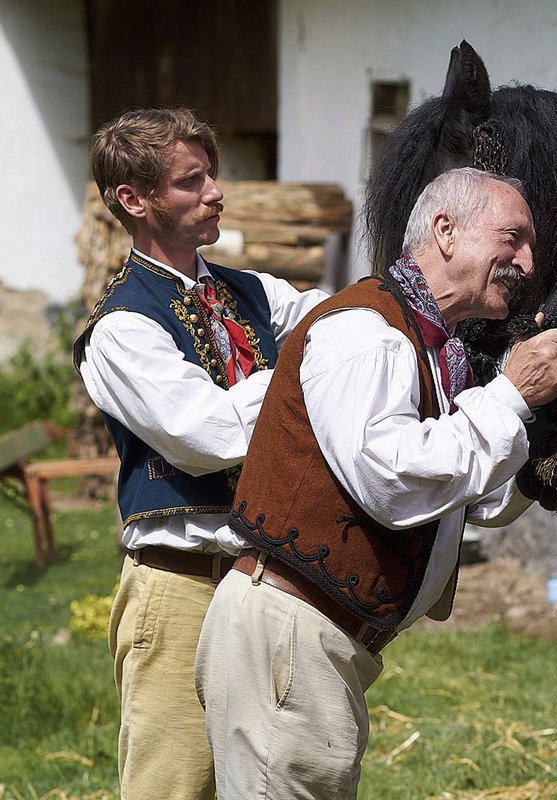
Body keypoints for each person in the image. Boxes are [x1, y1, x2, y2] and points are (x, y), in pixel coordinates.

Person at [195, 166, 557, 798]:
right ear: (445, 232)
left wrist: (544, 463)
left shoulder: (431, 347)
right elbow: (394, 479)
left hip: (315, 641)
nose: (528, 262)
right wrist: (509, 396)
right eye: (512, 239)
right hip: (290, 634)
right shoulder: (364, 333)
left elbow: (458, 497)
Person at [74, 108, 328, 799]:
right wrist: (307, 368)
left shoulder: (249, 293)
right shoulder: (122, 327)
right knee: (175, 787)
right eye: (191, 181)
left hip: (264, 583)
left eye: (211, 174)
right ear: (134, 200)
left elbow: (337, 322)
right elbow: (207, 435)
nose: (215, 191)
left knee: (271, 780)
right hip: (180, 585)